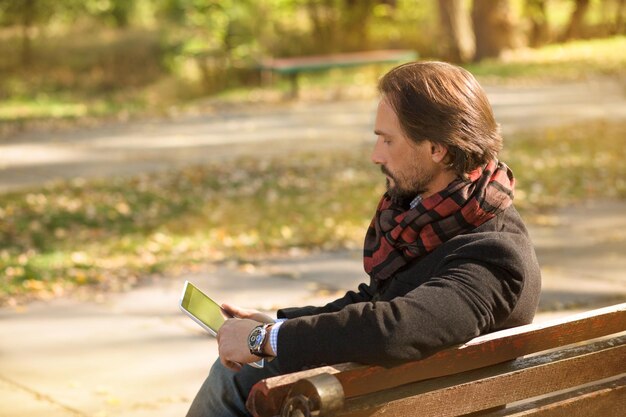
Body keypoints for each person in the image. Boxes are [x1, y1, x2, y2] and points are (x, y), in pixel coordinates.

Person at [186, 61, 542, 417]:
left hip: (414, 407)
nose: (376, 156)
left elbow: (393, 328)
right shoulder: (439, 219)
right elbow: (377, 302)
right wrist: (279, 327)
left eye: (388, 140)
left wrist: (261, 341)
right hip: (406, 400)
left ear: (438, 149)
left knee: (233, 379)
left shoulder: (492, 253)